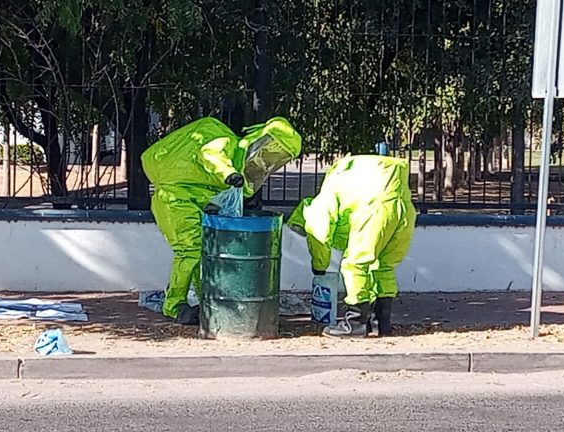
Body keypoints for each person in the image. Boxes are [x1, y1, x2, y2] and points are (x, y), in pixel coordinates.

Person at [141, 116, 301, 325]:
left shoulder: (238, 164)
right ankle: (174, 305)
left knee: (206, 251)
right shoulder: (222, 137)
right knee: (190, 249)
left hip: (190, 199)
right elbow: (209, 153)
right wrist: (228, 174)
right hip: (174, 198)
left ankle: (207, 300)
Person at [287, 154, 417, 337]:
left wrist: (319, 267)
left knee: (355, 263)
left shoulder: (316, 206)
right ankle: (381, 322)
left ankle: (355, 323)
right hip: (403, 205)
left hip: (375, 210)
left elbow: (319, 236)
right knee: (383, 265)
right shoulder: (347, 183)